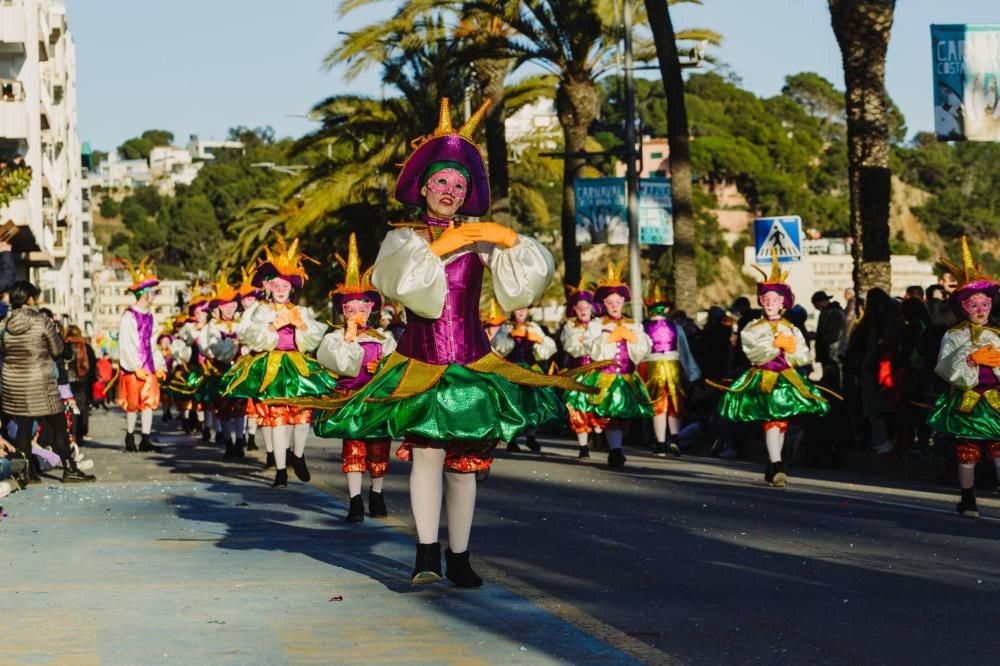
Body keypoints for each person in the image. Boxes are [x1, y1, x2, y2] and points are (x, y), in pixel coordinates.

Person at [313, 98, 586, 588]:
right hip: (422, 361)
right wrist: (442, 246)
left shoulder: (479, 237)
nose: (451, 191)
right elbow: (404, 284)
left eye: (459, 185)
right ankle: (424, 554)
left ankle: (459, 556)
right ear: (423, 187)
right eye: (442, 182)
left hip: (472, 362)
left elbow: (523, 283)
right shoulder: (404, 239)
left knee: (464, 467)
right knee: (426, 457)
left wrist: (508, 240)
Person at [219, 236, 337, 488]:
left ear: (291, 287)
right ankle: (281, 470)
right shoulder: (262, 311)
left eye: (286, 284)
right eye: (277, 284)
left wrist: (300, 325)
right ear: (269, 286)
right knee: (278, 417)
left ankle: (298, 454)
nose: (282, 288)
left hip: (297, 365)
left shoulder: (301, 311)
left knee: (303, 412)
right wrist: (274, 325)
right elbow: (253, 337)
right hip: (273, 365)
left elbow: (312, 339)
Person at [717, 252, 830, 487]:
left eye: (774, 300)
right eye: (766, 299)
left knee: (781, 423)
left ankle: (773, 463)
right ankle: (777, 464)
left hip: (786, 379)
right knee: (771, 421)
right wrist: (773, 344)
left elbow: (802, 354)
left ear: (782, 303)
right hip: (764, 378)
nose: (769, 304)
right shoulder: (753, 327)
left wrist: (790, 349)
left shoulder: (791, 327)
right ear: (761, 301)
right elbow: (750, 349)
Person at [316, 233, 397, 522]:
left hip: (376, 400)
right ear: (342, 311)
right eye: (350, 308)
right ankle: (354, 501)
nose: (357, 313)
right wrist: (349, 339)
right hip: (350, 399)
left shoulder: (384, 338)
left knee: (378, 448)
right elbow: (333, 361)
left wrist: (384, 368)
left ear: (371, 309)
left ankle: (376, 493)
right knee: (352, 448)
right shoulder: (336, 337)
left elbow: (396, 365)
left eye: (362, 307)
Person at [927, 238, 1000, 518]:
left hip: (995, 399)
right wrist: (970, 359)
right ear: (963, 307)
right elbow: (943, 366)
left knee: (998, 446)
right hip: (968, 398)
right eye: (974, 304)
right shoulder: (953, 335)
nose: (981, 309)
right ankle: (968, 498)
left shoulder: (996, 335)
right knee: (967, 449)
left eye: (985, 303)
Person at [0, 281, 94, 483]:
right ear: (29, 298)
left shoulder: (6, 324)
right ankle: (70, 469)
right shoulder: (41, 320)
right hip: (41, 382)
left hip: (16, 384)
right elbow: (58, 349)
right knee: (59, 427)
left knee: (24, 429)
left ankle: (26, 473)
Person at [566, 262, 653, 470]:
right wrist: (610, 338)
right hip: (605, 376)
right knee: (609, 414)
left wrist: (631, 337)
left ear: (623, 302)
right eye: (610, 302)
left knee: (621, 415)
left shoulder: (634, 324)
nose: (614, 306)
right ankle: (614, 451)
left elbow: (643, 348)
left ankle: (614, 446)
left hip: (626, 376)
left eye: (618, 301)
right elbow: (591, 348)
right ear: (604, 303)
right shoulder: (597, 325)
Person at [641, 284, 700, 457]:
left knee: (658, 404)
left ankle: (660, 443)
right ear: (666, 310)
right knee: (675, 402)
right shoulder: (676, 328)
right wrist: (693, 373)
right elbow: (684, 352)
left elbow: (641, 351)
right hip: (673, 365)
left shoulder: (643, 328)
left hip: (653, 366)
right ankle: (674, 437)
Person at [491, 305, 556, 452]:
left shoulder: (534, 327)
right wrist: (510, 337)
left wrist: (539, 340)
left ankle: (531, 437)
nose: (521, 311)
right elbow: (497, 348)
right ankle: (513, 438)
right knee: (514, 404)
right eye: (518, 308)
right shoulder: (506, 327)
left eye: (524, 309)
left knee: (532, 403)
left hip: (530, 369)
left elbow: (548, 349)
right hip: (512, 370)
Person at [118, 259, 165, 453]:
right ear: (144, 294)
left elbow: (152, 344)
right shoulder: (129, 316)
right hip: (134, 368)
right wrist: (134, 365)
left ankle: (145, 438)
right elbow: (126, 343)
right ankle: (130, 436)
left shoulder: (151, 317)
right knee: (133, 403)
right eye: (152, 292)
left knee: (149, 404)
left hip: (149, 366)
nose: (155, 295)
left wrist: (160, 364)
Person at [560, 277, 606, 458]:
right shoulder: (570, 327)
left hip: (596, 372)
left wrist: (587, 340)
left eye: (586, 306)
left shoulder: (599, 325)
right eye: (579, 308)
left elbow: (601, 348)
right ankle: (583, 446)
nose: (583, 310)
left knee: (598, 407)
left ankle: (600, 436)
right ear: (574, 310)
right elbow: (572, 348)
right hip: (578, 374)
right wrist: (585, 341)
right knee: (577, 408)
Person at [204, 274, 246, 459]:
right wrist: (233, 343)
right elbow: (215, 349)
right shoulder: (213, 326)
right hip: (221, 371)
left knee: (241, 407)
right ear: (218, 306)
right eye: (224, 304)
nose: (229, 308)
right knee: (224, 408)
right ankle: (228, 443)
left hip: (240, 370)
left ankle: (240, 441)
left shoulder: (243, 323)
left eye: (232, 304)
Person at [811, 291, 848, 392]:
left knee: (834, 383)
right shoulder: (830, 311)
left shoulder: (833, 313)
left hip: (832, 355)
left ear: (821, 302)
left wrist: (819, 338)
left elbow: (832, 336)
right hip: (829, 355)